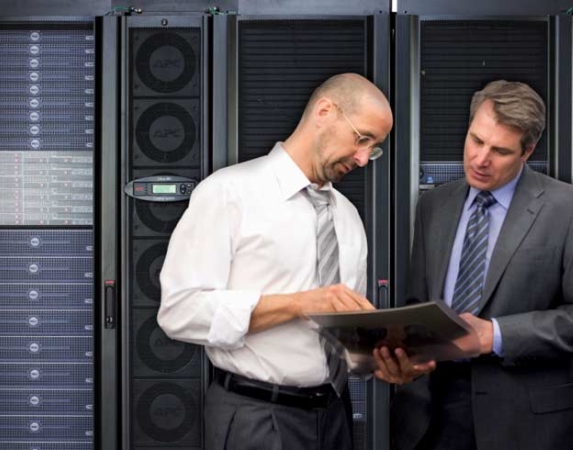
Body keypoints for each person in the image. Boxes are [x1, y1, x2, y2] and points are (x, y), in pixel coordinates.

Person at [158, 73, 401, 450]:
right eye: (362, 138)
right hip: (256, 417)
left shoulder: (348, 217)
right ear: (325, 111)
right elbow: (179, 311)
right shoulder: (227, 193)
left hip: (335, 415)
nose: (364, 158)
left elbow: (343, 337)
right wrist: (299, 304)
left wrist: (384, 360)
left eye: (374, 148)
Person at [390, 80, 573, 450]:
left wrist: (495, 335)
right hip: (430, 419)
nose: (480, 159)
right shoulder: (434, 205)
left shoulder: (571, 209)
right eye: (476, 140)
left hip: (527, 426)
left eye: (499, 150)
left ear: (527, 151)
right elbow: (417, 304)